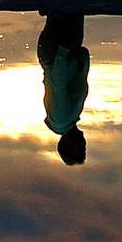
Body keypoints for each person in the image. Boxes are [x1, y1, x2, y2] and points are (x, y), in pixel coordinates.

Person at [37, 11, 90, 164]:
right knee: (64, 3)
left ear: (69, 146)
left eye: (80, 149)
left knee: (70, 2)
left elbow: (58, 84)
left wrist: (63, 51)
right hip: (57, 52)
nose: (84, 144)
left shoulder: (62, 119)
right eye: (84, 149)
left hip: (59, 51)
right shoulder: (64, 120)